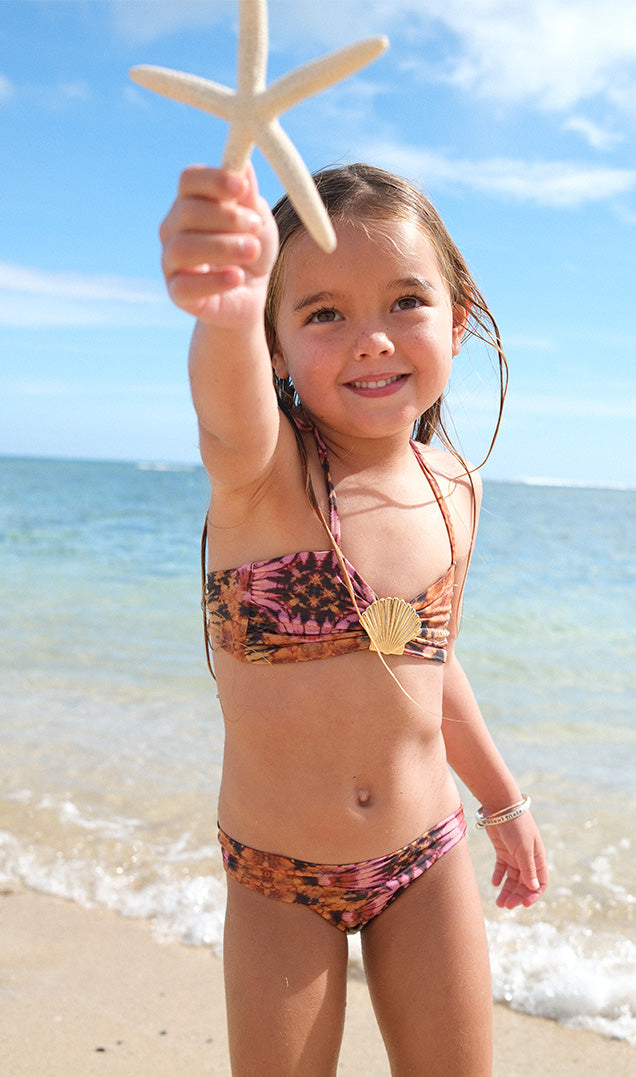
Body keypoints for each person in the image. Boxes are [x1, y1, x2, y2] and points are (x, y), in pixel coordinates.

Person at [159, 160, 548, 1076]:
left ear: (455, 322)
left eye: (405, 301)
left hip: (426, 856)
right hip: (278, 881)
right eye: (324, 312)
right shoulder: (260, 479)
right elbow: (226, 406)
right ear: (277, 347)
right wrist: (220, 303)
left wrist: (503, 800)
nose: (370, 339)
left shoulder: (455, 488)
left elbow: (425, 664)